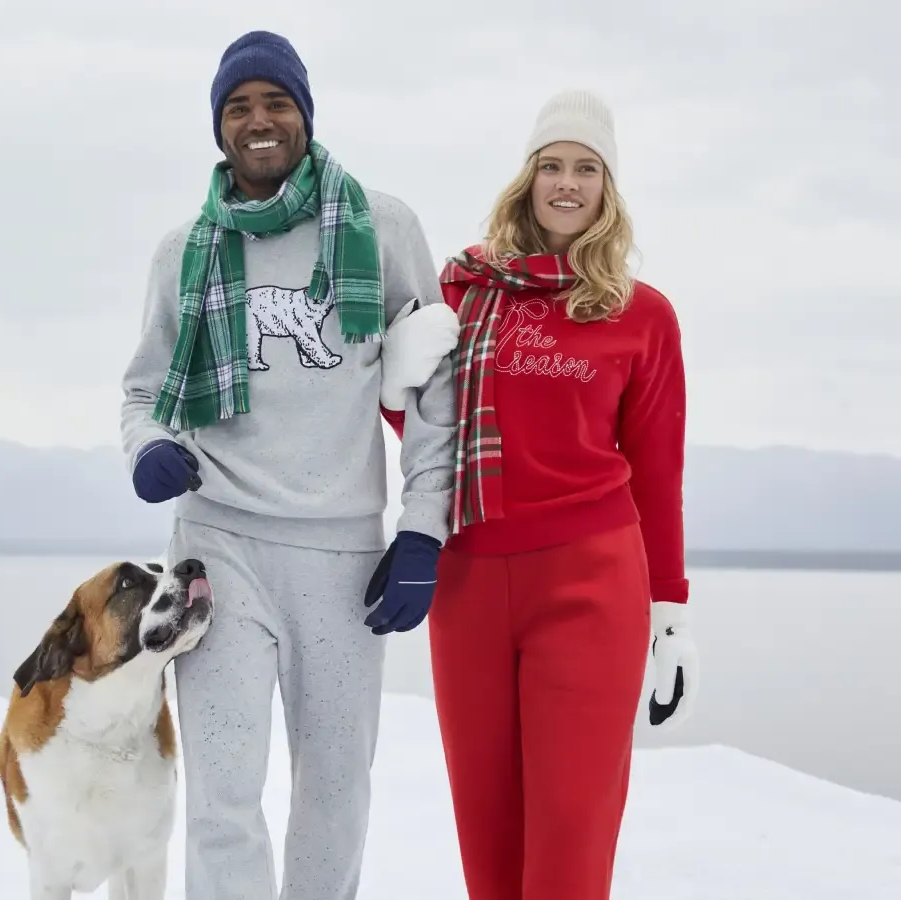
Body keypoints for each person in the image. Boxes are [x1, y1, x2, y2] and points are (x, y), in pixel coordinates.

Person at [118, 29, 460, 900]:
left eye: (275, 103)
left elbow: (435, 393)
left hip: (341, 557)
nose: (257, 121)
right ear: (219, 128)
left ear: (304, 115)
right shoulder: (183, 253)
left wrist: (423, 530)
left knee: (336, 795)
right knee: (223, 801)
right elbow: (143, 391)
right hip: (217, 549)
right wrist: (150, 447)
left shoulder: (382, 229)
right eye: (238, 107)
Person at [382, 88, 701, 899]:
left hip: (590, 585)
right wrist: (393, 376)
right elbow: (424, 429)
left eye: (586, 169)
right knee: (487, 841)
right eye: (552, 165)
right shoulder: (463, 289)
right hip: (469, 581)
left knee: (569, 838)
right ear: (527, 178)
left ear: (608, 189)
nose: (567, 183)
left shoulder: (641, 314)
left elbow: (658, 472)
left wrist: (670, 613)